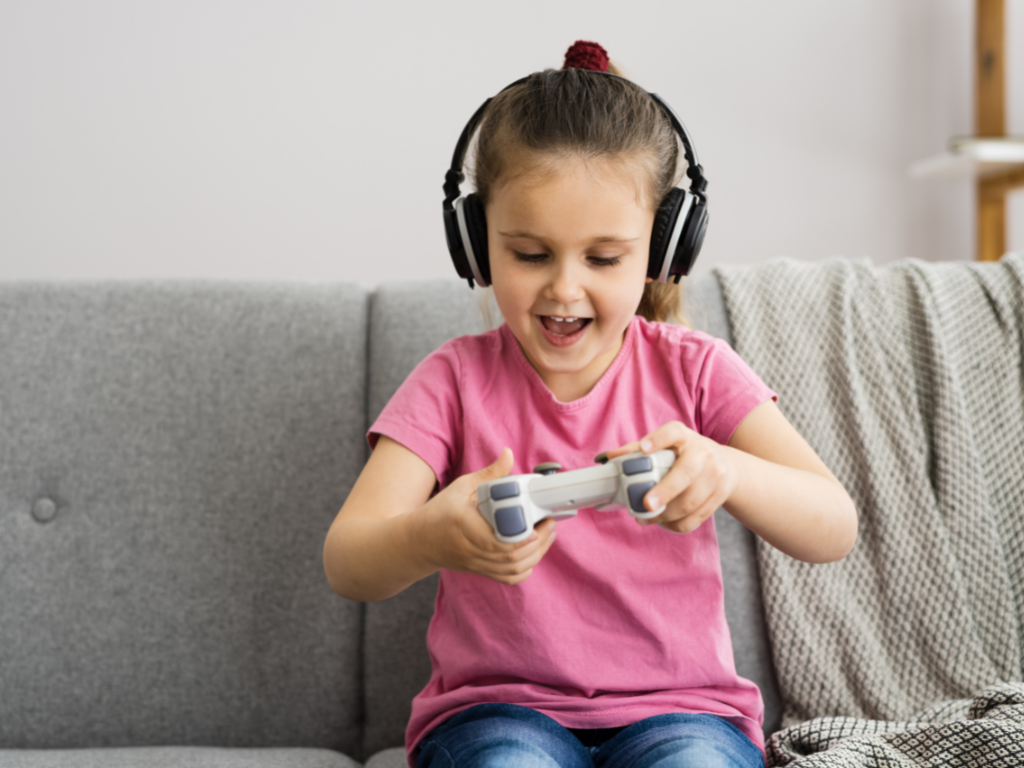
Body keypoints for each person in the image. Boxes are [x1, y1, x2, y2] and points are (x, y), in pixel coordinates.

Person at [323, 40, 858, 768]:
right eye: (530, 254)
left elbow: (833, 526)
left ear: (663, 249)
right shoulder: (452, 381)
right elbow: (348, 561)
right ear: (477, 245)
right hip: (496, 715)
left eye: (603, 259)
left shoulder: (696, 371)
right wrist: (431, 538)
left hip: (684, 715)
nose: (565, 289)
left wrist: (726, 472)